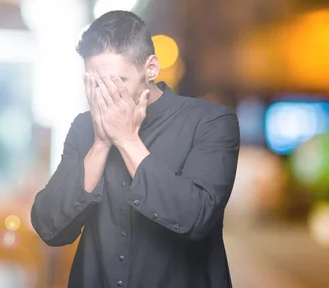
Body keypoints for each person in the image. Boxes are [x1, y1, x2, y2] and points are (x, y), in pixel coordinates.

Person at [30, 10, 240, 288]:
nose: (105, 96)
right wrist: (101, 143)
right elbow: (48, 226)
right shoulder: (84, 128)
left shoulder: (210, 122)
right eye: (95, 84)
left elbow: (197, 217)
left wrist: (127, 139)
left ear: (150, 68)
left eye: (117, 83)